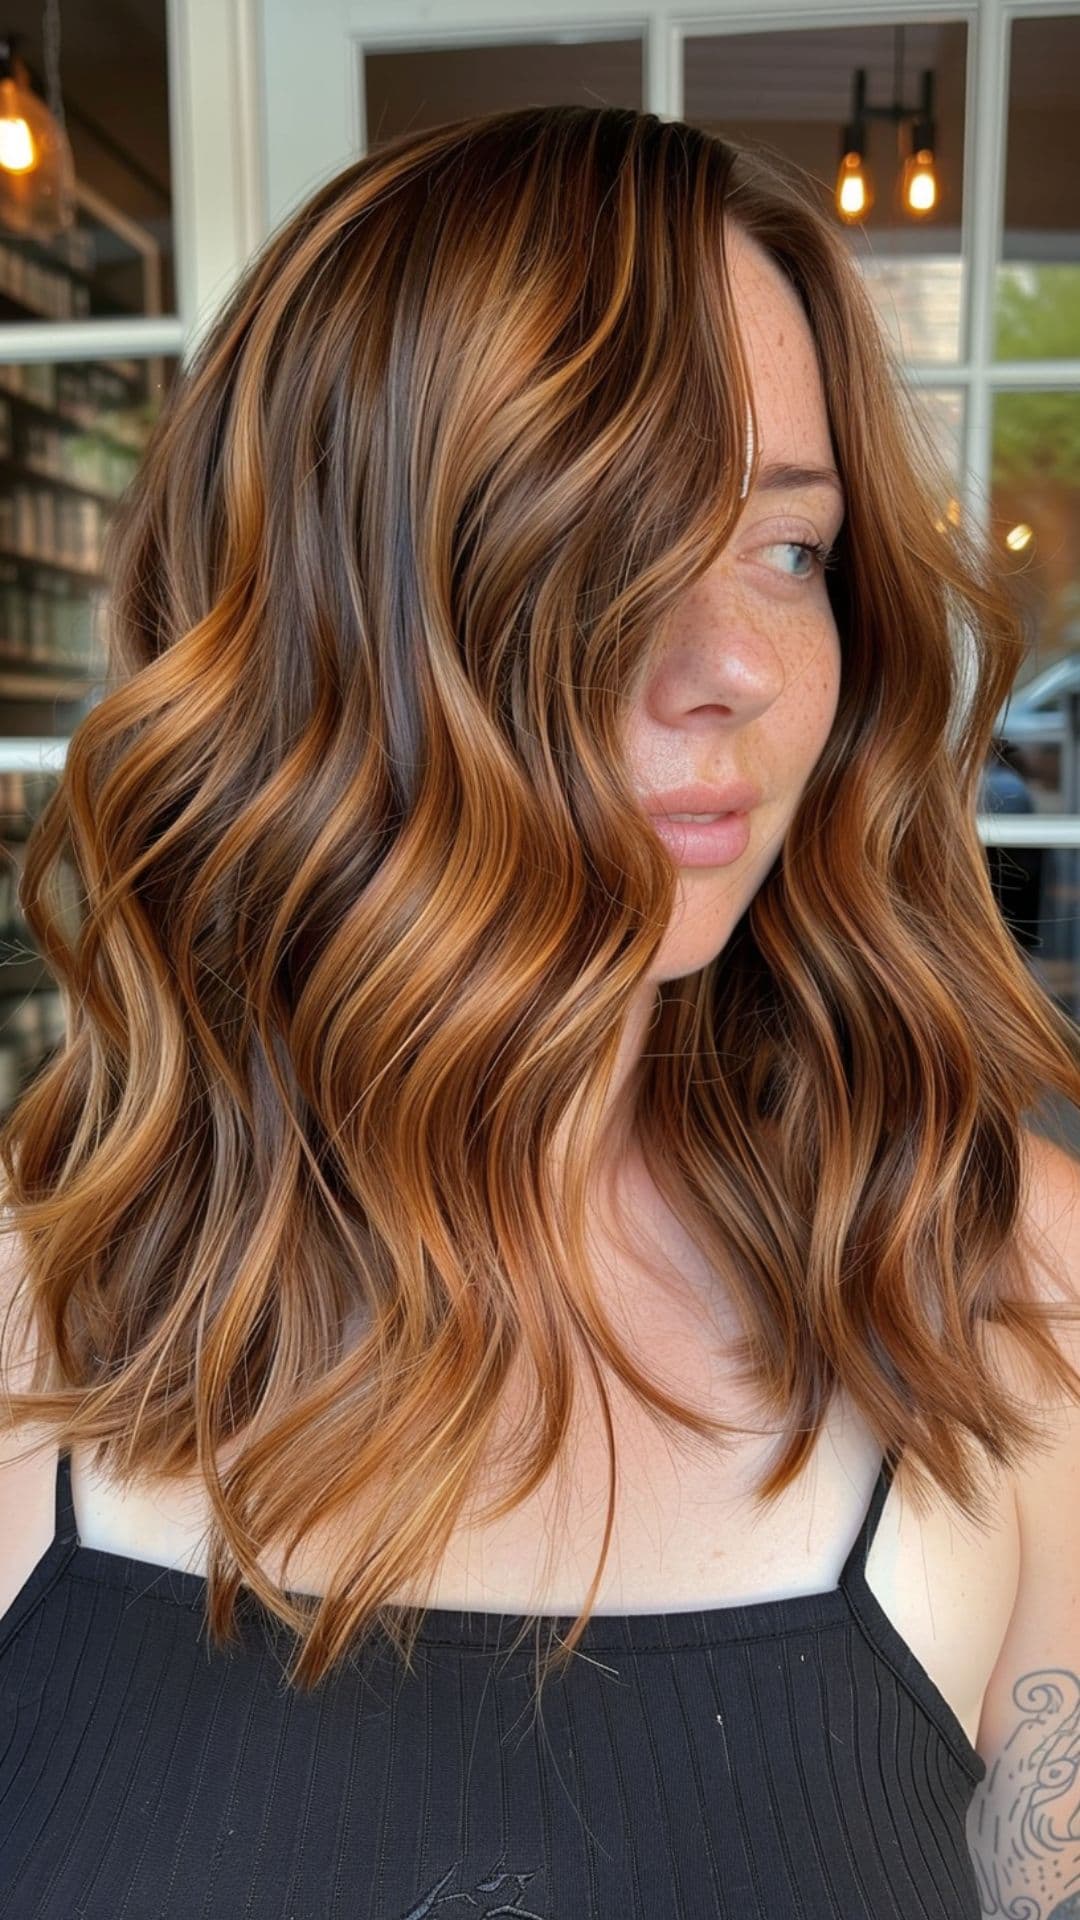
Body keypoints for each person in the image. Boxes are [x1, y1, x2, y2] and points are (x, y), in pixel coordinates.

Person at [1, 104, 1079, 1920]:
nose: (738, 663)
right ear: (333, 620)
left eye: (789, 552)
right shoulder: (30, 1330)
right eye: (610, 546)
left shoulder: (1010, 1306)